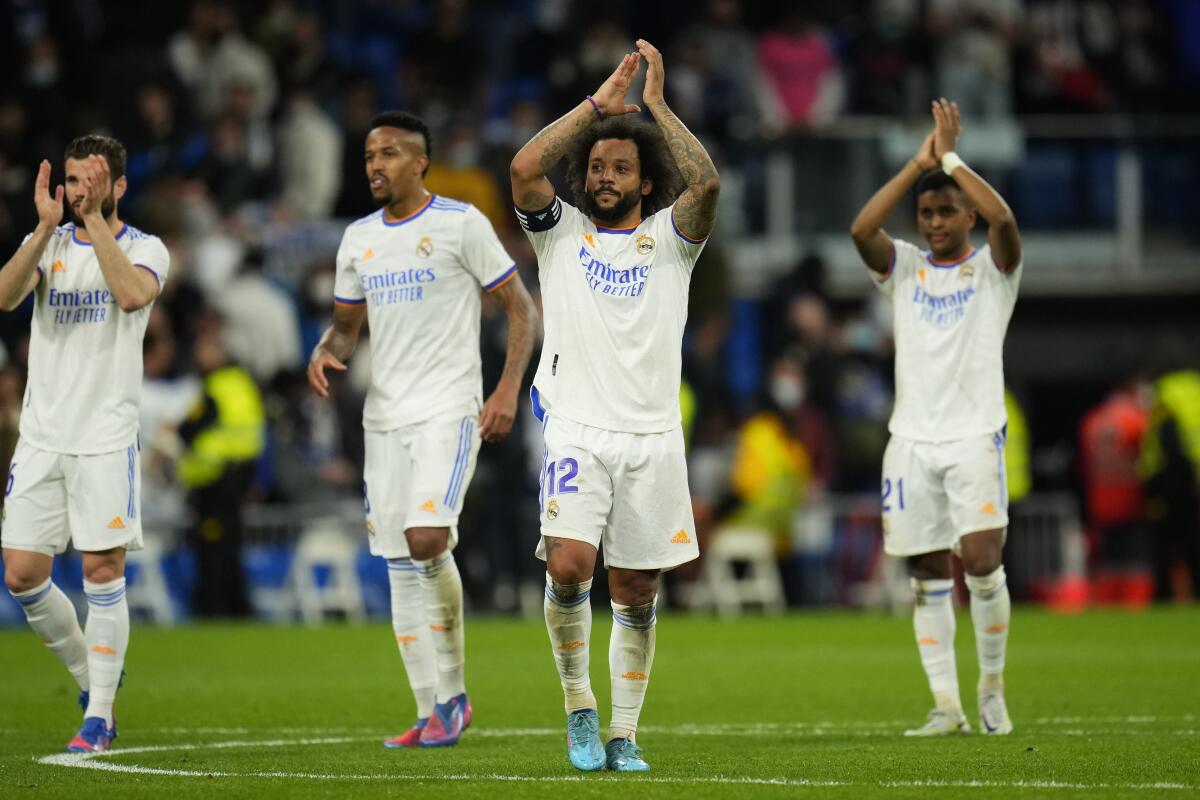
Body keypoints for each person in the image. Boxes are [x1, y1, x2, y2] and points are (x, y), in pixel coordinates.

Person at [510, 39, 720, 772]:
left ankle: (624, 733)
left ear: (644, 179)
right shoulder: (560, 235)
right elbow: (525, 169)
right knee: (569, 564)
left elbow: (708, 187)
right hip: (574, 426)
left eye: (620, 167)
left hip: (653, 435)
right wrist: (598, 109)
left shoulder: (672, 242)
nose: (604, 176)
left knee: (635, 587)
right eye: (597, 167)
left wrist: (656, 110)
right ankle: (579, 709)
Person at [308, 111, 537, 748]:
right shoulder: (357, 238)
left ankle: (455, 694)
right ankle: (427, 711)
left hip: (448, 409)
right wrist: (326, 348)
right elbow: (347, 329)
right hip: (382, 418)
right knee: (398, 562)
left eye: (388, 153)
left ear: (420, 162)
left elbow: (521, 309)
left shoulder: (461, 224)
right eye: (368, 156)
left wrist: (506, 389)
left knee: (427, 536)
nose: (375, 165)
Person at [850, 99, 1022, 736]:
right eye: (926, 212)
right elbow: (861, 231)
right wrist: (915, 165)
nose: (934, 221)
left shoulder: (993, 269)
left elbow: (1004, 217)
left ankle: (993, 689)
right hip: (911, 442)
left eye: (947, 209)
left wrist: (950, 157)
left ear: (967, 214)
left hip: (973, 434)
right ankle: (946, 705)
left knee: (980, 560)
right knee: (926, 570)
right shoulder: (908, 268)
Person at [0, 135, 170, 752]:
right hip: (42, 435)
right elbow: (5, 295)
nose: (78, 192)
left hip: (104, 436)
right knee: (21, 575)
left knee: (102, 569)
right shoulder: (48, 242)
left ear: (118, 186)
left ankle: (98, 716)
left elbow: (130, 295)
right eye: (72, 181)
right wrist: (45, 230)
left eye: (90, 181)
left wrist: (95, 221)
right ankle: (90, 674)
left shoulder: (146, 248)